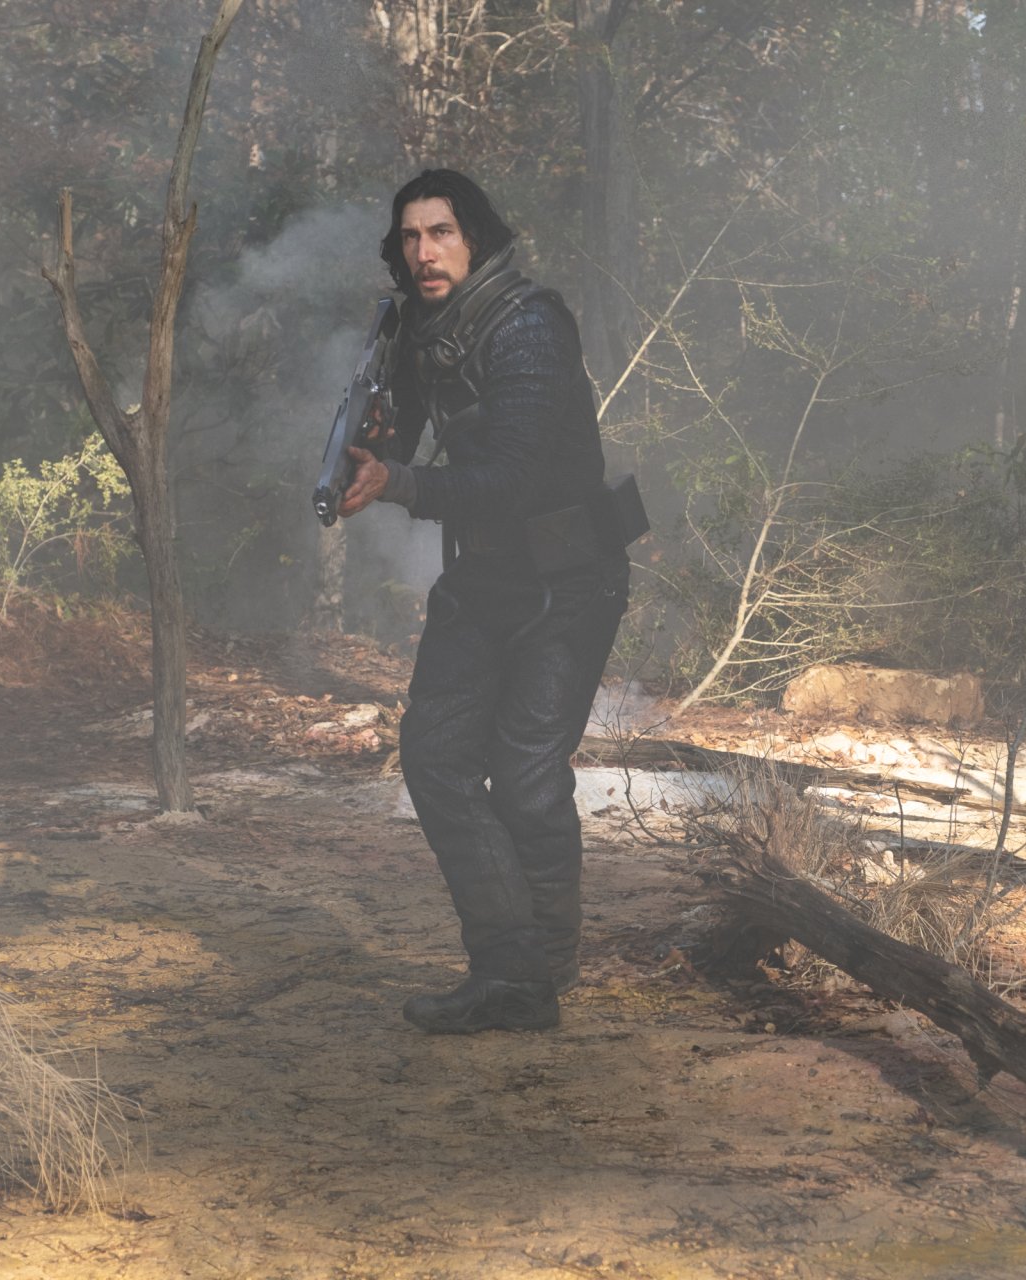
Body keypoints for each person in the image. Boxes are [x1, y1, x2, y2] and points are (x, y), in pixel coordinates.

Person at [337, 169, 630, 1034]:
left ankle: (532, 972)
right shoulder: (425, 327)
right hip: (487, 576)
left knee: (528, 776)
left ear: (477, 239)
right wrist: (378, 439)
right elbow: (407, 430)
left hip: (570, 580)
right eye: (411, 237)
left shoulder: (528, 325)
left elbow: (512, 479)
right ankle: (520, 968)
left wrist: (401, 483)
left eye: (442, 233)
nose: (424, 253)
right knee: (434, 757)